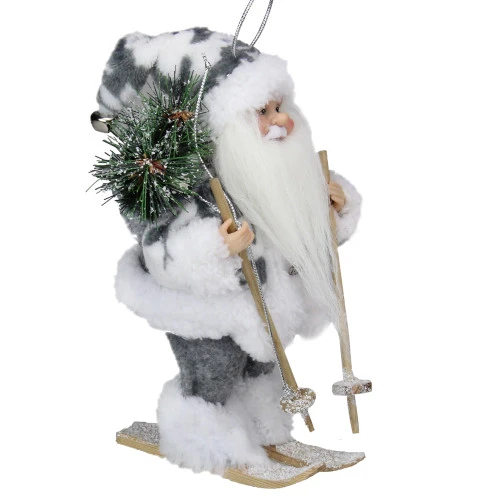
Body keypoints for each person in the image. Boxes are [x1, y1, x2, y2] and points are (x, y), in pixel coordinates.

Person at [94, 27, 362, 474]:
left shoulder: (267, 174)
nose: (281, 121)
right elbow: (164, 251)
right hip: (208, 313)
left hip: (263, 305)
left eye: (279, 107)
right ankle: (205, 437)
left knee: (261, 367)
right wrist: (217, 246)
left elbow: (297, 234)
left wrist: (330, 212)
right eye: (263, 111)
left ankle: (263, 428)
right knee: (212, 376)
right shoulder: (191, 189)